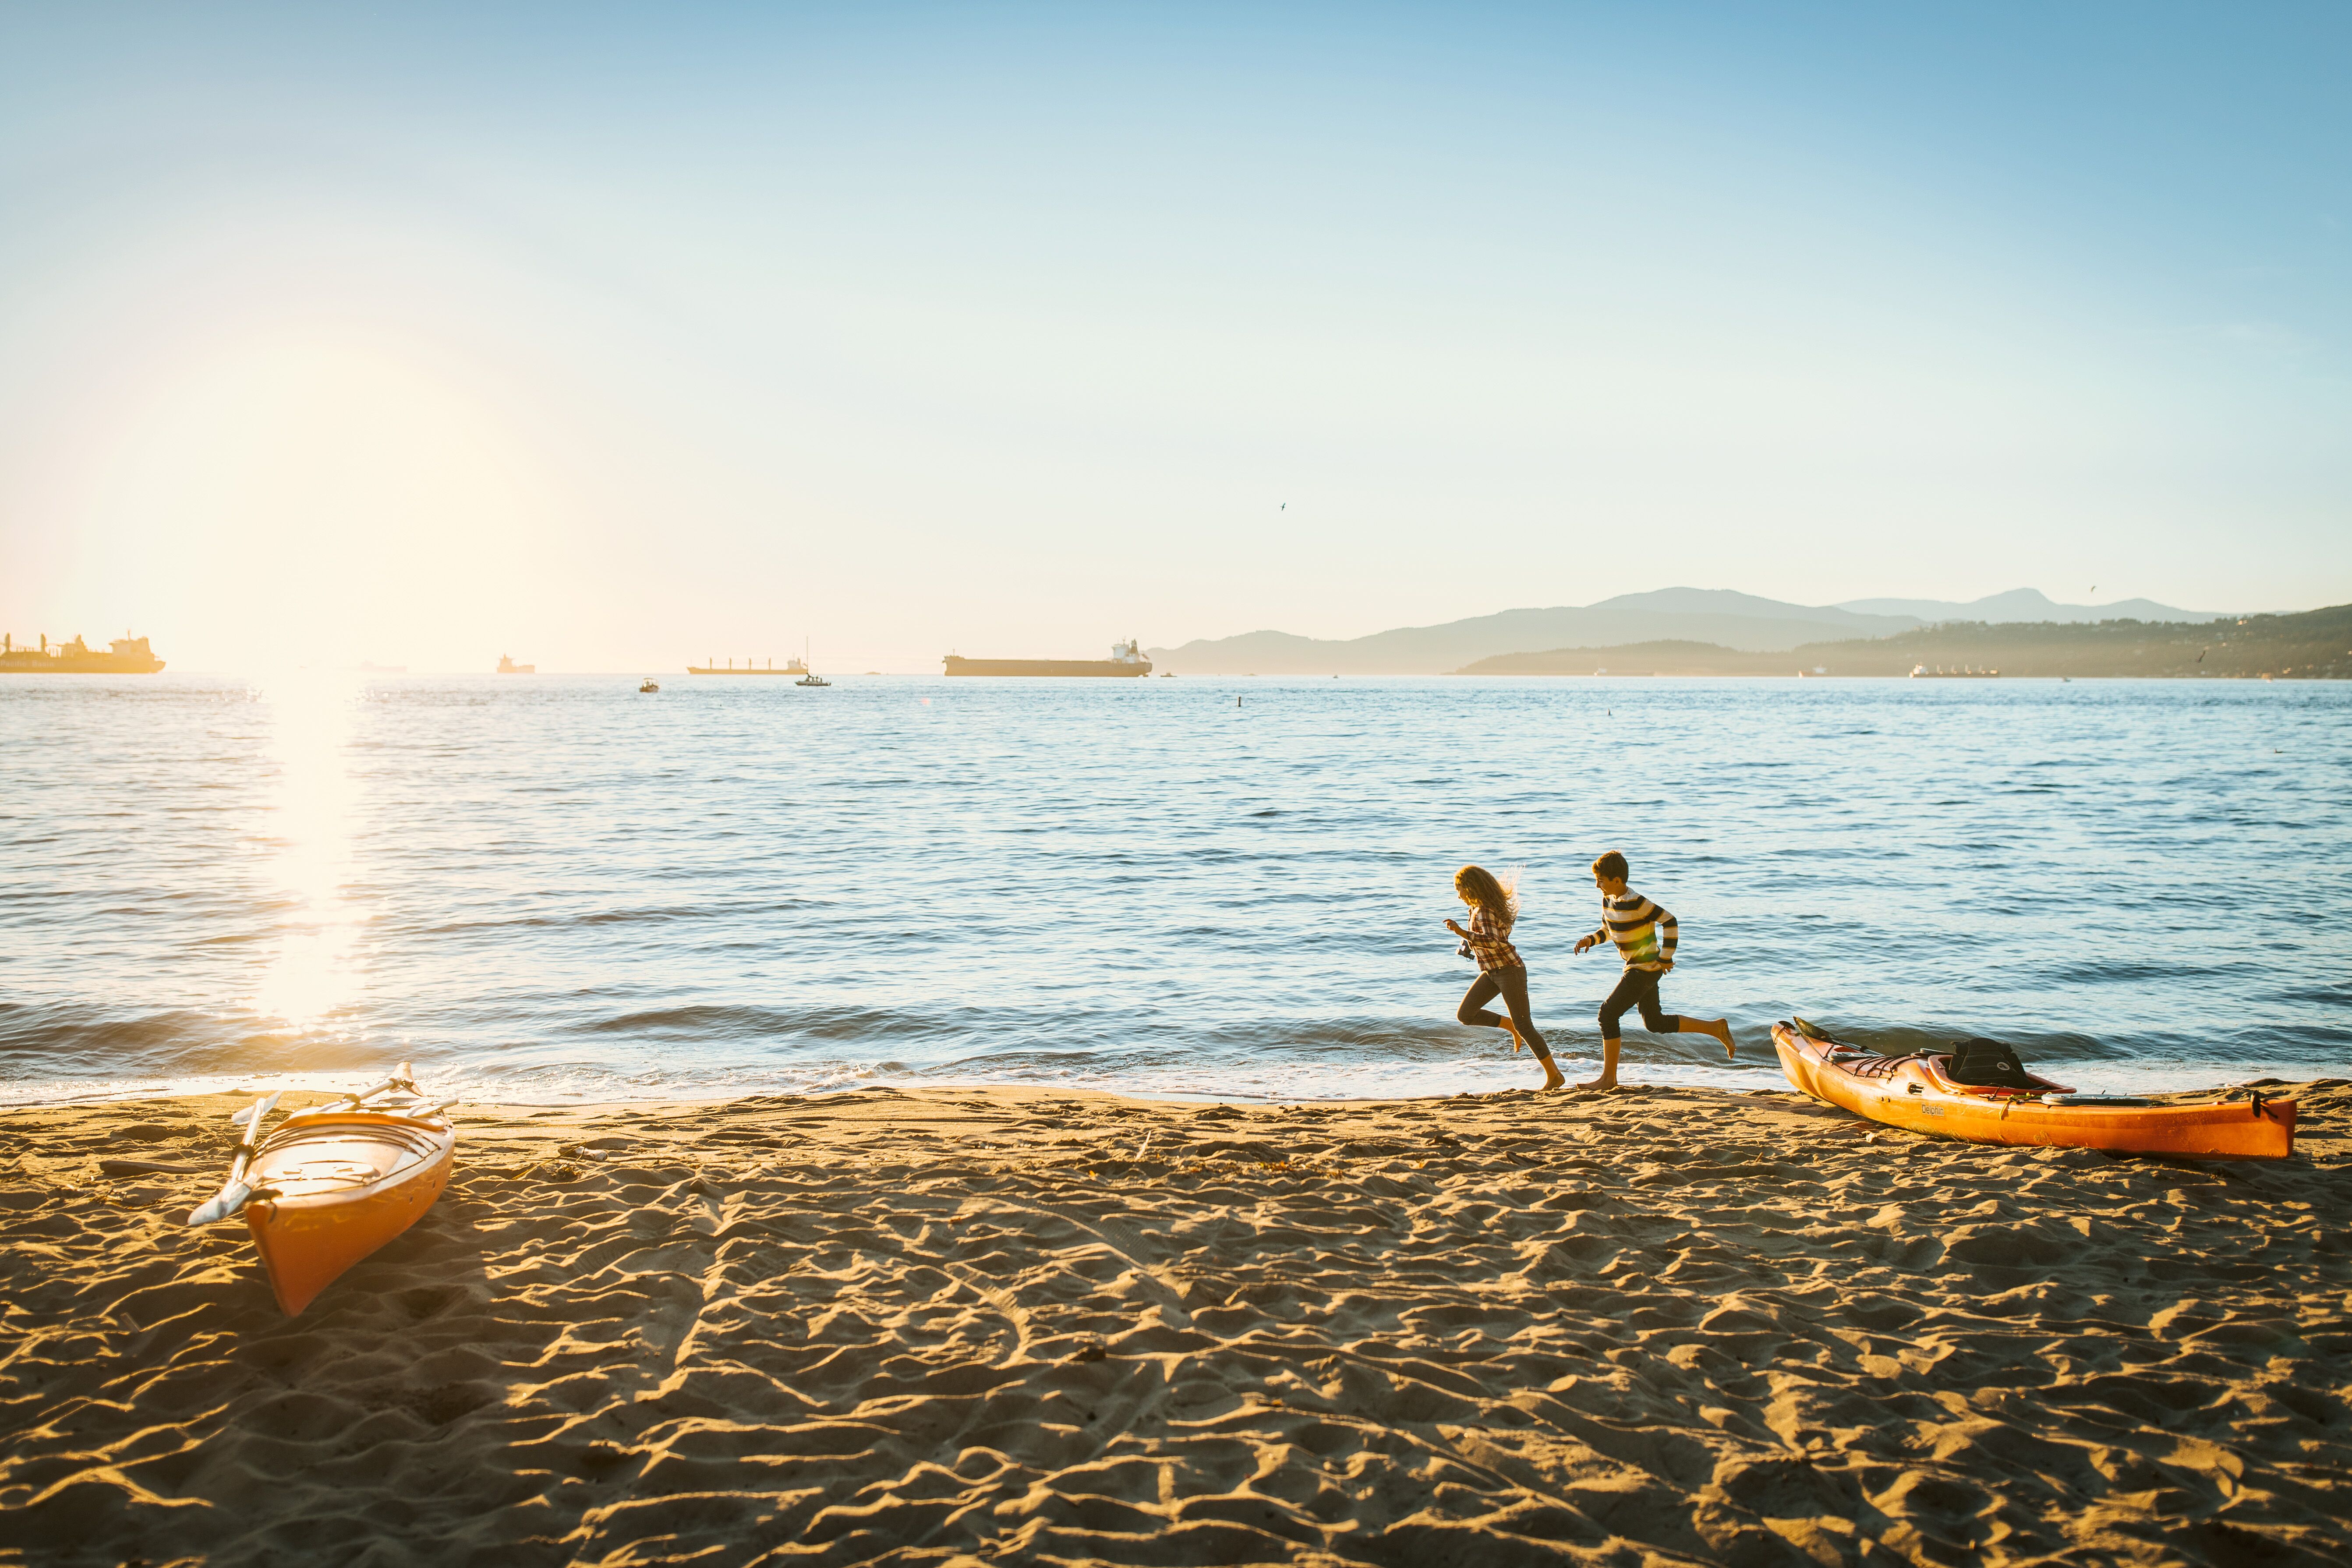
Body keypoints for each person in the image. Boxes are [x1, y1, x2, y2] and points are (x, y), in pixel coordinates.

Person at [1571, 850, 1735, 1090]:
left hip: (1645, 968)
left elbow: (1670, 921)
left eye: (1601, 881)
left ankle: (1609, 1079)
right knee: (1655, 1022)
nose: (1597, 886)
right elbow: (1609, 929)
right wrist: (1590, 939)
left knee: (1607, 1015)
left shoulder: (1638, 902)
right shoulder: (1608, 900)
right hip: (1637, 967)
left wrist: (1666, 957)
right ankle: (1714, 1028)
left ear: (1617, 881)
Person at [1444, 865, 1566, 1091]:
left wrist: (1463, 933)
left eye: (1459, 889)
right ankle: (1510, 1025)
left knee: (1526, 1026)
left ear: (1470, 888)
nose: (1458, 895)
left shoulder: (1485, 911)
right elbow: (1490, 938)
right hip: (1492, 972)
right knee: (1466, 1014)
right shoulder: (1476, 909)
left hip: (1510, 971)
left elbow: (1494, 941)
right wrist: (1467, 944)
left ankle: (1554, 1076)